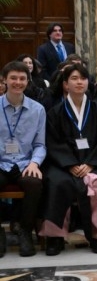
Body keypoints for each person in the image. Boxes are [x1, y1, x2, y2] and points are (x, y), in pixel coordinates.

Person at [40, 64, 97, 255]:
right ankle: (55, 237)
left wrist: (90, 164)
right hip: (64, 164)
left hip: (94, 163)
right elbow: (53, 142)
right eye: (74, 78)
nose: (79, 82)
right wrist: (71, 164)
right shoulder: (55, 112)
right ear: (66, 84)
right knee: (57, 183)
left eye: (82, 78)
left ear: (88, 83)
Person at [0, 61, 46, 257]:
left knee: (34, 183)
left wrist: (35, 163)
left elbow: (40, 144)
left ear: (28, 81)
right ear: (4, 80)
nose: (17, 82)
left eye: (22, 79)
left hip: (25, 162)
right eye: (13, 78)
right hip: (1, 162)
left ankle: (25, 230)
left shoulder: (38, 110)